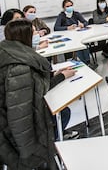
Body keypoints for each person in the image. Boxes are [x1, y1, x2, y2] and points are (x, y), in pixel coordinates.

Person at [0, 19, 78, 170]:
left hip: (18, 129)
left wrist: (53, 74)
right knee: (63, 113)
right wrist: (30, 154)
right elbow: (20, 119)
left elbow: (33, 84)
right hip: (21, 139)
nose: (39, 34)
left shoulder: (12, 53)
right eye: (35, 32)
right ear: (26, 36)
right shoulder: (18, 68)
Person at [54, 0, 94, 67]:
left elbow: (85, 22)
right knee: (77, 45)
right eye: (67, 6)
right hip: (68, 37)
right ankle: (83, 62)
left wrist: (83, 25)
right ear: (64, 7)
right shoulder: (61, 15)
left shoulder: (76, 14)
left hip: (77, 35)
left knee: (83, 44)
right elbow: (56, 28)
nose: (69, 7)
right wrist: (67, 28)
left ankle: (87, 61)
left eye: (71, 5)